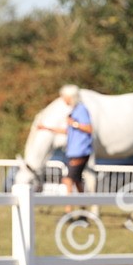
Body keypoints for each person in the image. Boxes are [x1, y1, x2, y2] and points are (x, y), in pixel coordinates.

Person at [38, 85, 94, 213]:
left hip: (80, 152)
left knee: (67, 180)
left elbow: (88, 129)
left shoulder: (81, 110)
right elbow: (68, 131)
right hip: (73, 151)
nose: (63, 100)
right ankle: (83, 210)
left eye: (65, 97)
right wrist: (47, 128)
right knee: (78, 181)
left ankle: (68, 212)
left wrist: (74, 123)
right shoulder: (74, 111)